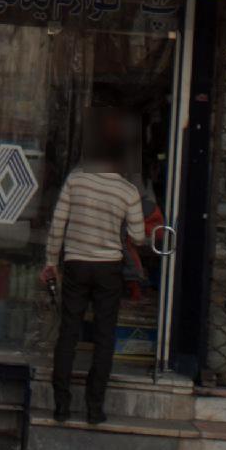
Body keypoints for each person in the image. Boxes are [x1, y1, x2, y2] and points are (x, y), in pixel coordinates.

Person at [42, 117, 146, 425]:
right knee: (104, 336)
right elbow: (138, 236)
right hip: (108, 269)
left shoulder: (76, 180)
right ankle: (94, 408)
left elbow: (58, 223)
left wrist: (51, 261)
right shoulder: (128, 191)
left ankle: (61, 407)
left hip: (75, 264)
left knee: (68, 333)